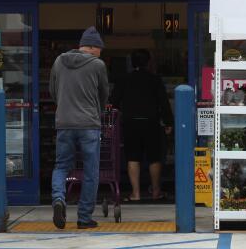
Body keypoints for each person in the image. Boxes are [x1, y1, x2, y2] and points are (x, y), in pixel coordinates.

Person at [49, 26, 110, 230]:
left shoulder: (59, 61)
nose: (101, 52)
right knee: (91, 172)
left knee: (61, 166)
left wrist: (65, 106)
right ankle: (84, 218)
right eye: (100, 48)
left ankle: (59, 198)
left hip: (64, 123)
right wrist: (97, 111)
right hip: (89, 125)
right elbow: (104, 94)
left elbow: (52, 91)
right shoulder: (98, 65)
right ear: (93, 47)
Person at [111, 49, 173, 201]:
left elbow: (113, 102)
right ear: (148, 62)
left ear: (131, 63)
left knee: (132, 157)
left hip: (130, 123)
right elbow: (164, 103)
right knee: (154, 157)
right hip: (151, 122)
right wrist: (168, 122)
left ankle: (135, 194)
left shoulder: (124, 79)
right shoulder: (155, 79)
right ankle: (156, 192)